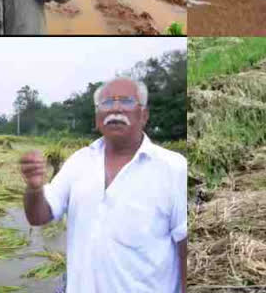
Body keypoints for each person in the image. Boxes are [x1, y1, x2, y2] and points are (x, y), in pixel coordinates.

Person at [18, 77, 187, 293]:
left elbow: (185, 246)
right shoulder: (78, 162)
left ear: (144, 115)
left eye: (126, 101)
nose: (115, 108)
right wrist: (34, 188)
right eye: (106, 103)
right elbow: (39, 216)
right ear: (98, 118)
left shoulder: (173, 168)